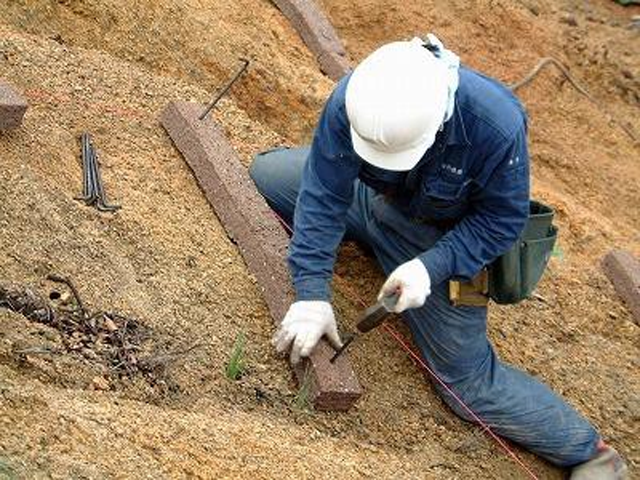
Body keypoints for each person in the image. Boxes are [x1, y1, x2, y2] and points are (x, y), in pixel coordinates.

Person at [250, 36, 628, 479]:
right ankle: (374, 244)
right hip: (368, 199)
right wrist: (312, 292)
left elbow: (501, 222)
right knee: (266, 176)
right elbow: (324, 192)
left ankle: (590, 452)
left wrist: (430, 268)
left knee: (465, 382)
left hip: (439, 240)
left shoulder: (494, 124)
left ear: (438, 125)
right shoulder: (360, 97)